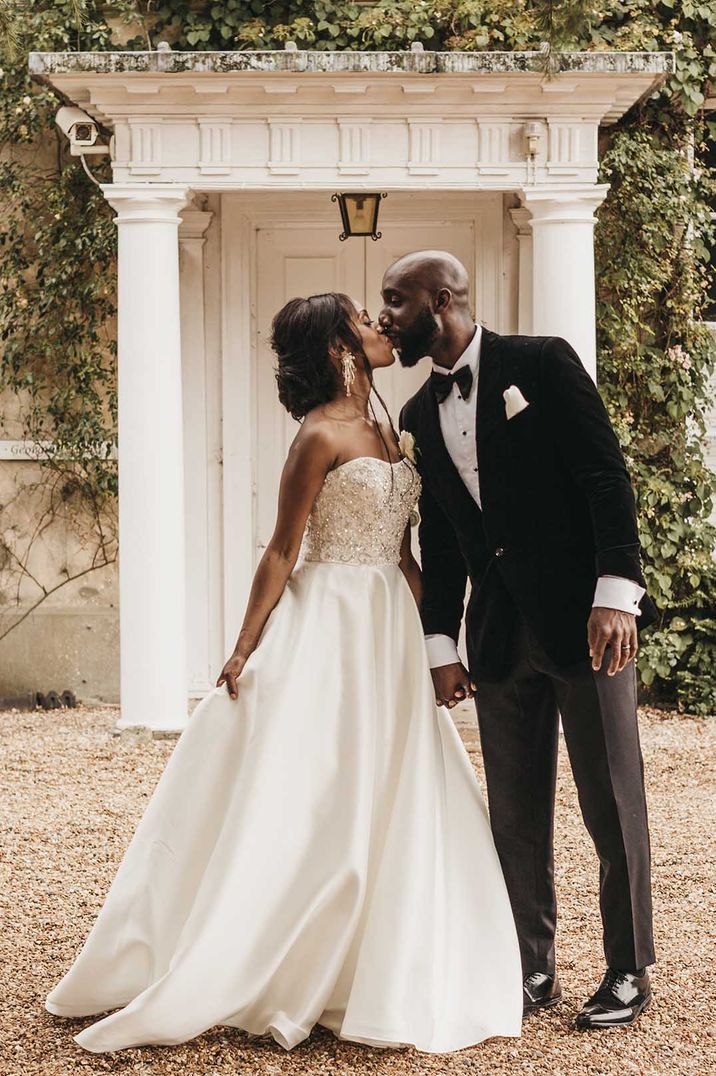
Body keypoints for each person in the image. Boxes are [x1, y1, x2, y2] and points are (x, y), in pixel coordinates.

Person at [45, 292, 523, 1055]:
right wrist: (241, 648)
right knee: (317, 786)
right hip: (328, 619)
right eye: (366, 320)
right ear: (338, 344)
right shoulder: (317, 437)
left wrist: (439, 643)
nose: (381, 327)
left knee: (400, 781)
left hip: (388, 626)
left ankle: (386, 957)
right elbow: (281, 550)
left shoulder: (390, 428)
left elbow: (405, 555)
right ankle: (281, 951)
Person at [384, 251, 657, 1031]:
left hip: (585, 621)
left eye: (395, 301)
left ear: (442, 301)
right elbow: (441, 539)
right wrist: (440, 643)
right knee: (514, 816)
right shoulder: (414, 418)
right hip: (498, 638)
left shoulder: (540, 364)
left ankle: (628, 969)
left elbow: (607, 478)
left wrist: (617, 594)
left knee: (611, 800)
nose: (387, 318)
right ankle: (529, 966)